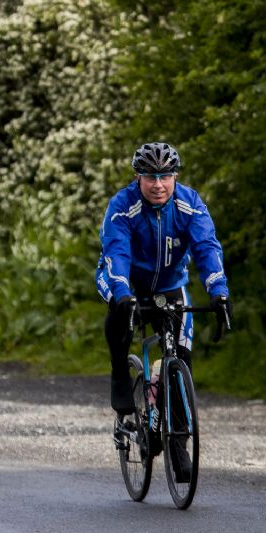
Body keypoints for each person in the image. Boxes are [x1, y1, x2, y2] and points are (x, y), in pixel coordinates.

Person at [96, 141, 232, 482]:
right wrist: (124, 294)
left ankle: (177, 446)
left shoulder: (190, 204)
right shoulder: (122, 205)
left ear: (175, 177)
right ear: (138, 178)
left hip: (171, 284)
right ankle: (119, 374)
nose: (158, 184)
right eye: (150, 177)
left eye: (166, 176)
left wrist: (219, 293)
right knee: (120, 313)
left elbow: (207, 247)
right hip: (125, 280)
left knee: (180, 361)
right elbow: (116, 252)